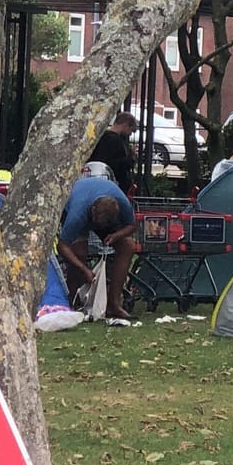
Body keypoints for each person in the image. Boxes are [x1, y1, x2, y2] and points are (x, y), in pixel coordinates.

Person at [57, 171, 139, 321]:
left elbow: (132, 225)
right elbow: (62, 246)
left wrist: (116, 236)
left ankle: (114, 304)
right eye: (96, 223)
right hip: (77, 209)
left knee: (128, 246)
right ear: (93, 211)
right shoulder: (77, 214)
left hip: (103, 215)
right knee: (79, 253)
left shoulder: (121, 202)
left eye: (101, 225)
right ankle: (70, 302)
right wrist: (84, 269)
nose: (96, 227)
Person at [90, 112, 138, 197]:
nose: (130, 134)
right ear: (125, 125)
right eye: (130, 130)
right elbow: (118, 165)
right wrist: (131, 159)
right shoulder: (116, 141)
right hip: (116, 185)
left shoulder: (101, 137)